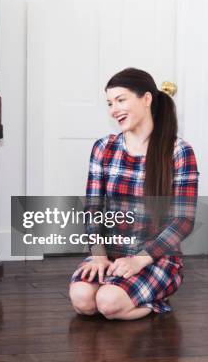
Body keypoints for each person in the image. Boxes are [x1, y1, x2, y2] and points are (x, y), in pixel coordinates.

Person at [69, 67, 199, 320]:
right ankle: (127, 293)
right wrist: (98, 255)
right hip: (112, 254)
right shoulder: (104, 148)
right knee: (83, 300)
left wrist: (140, 260)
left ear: (147, 98)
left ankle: (155, 302)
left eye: (120, 100)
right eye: (109, 103)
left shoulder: (178, 151)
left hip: (156, 258)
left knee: (108, 303)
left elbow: (183, 221)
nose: (113, 110)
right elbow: (93, 209)